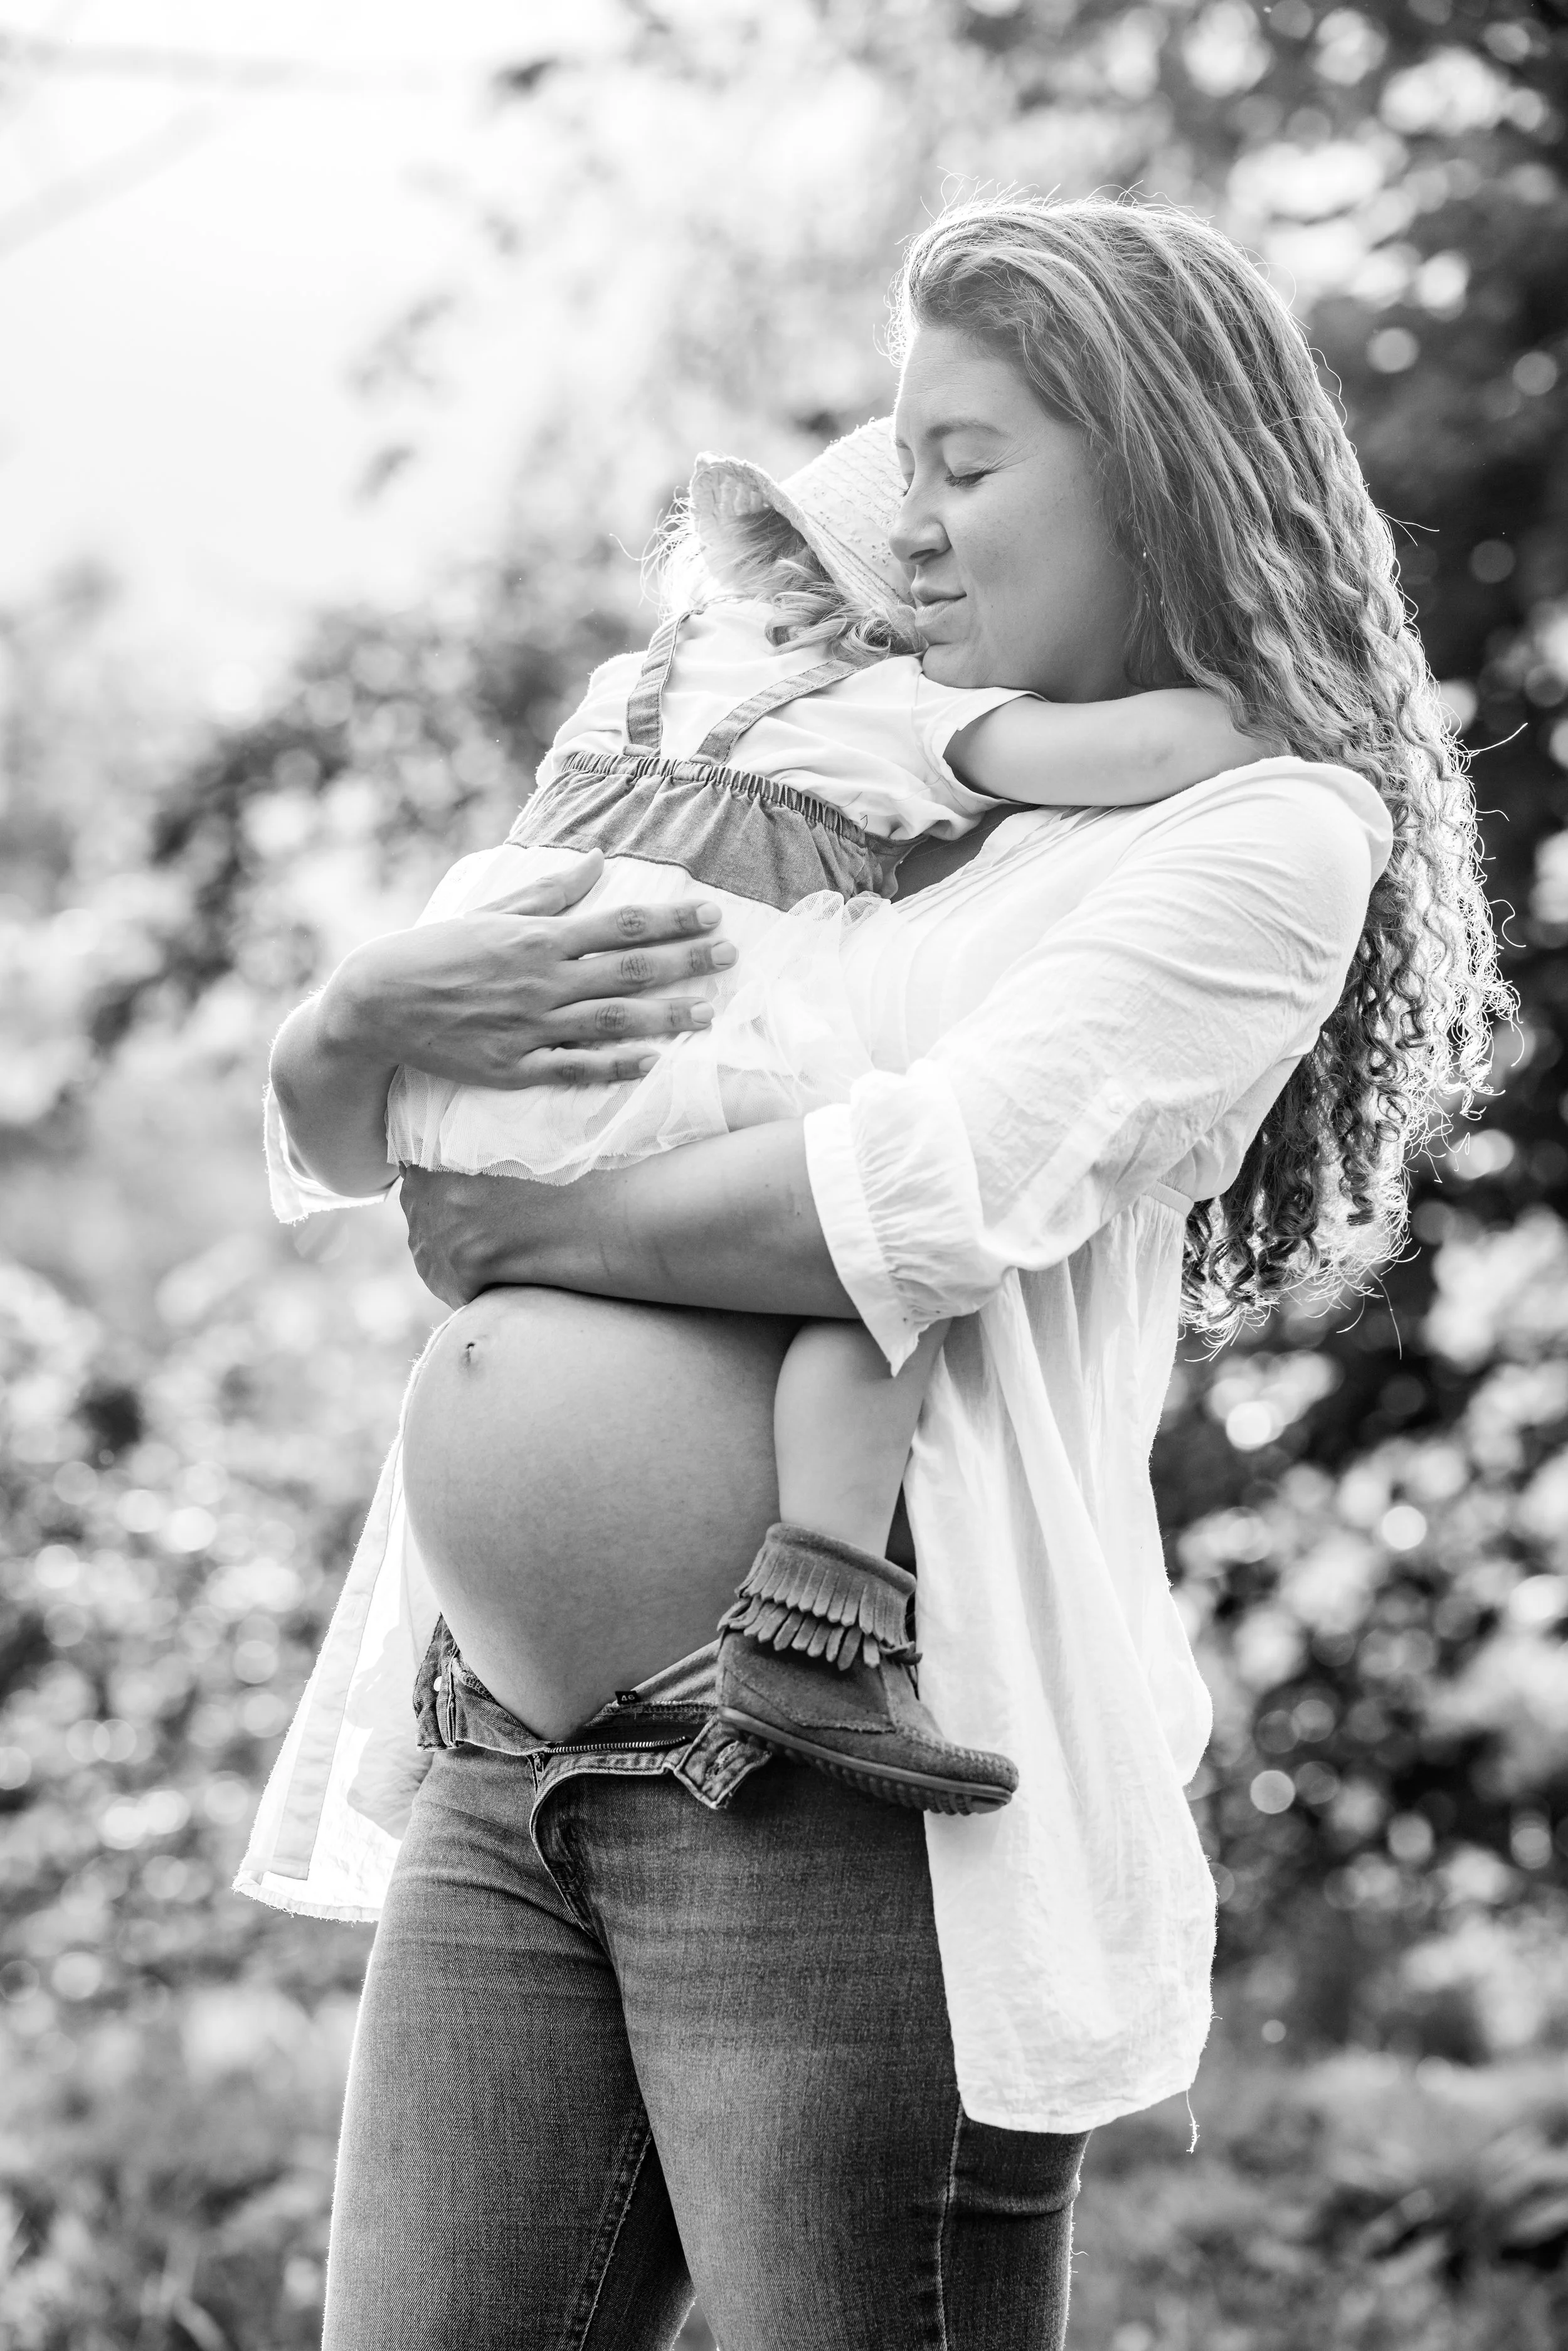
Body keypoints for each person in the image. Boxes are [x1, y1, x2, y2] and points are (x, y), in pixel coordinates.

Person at [241, 195, 1504, 2351]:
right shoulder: (811, 750)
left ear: (1158, 461)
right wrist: (347, 1031)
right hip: (493, 1746)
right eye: (899, 453)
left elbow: (917, 1186)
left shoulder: (1262, 827)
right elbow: (411, 1117)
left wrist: (523, 1235)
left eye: (976, 461)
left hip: (832, 1791)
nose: (909, 524)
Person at [270, 417, 1268, 1815]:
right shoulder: (887, 707)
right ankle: (821, 1604)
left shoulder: (635, 679)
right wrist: (1268, 695)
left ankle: (794, 1618)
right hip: (659, 1051)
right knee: (870, 1250)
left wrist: (369, 1029)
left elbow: (327, 1153)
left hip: (490, 1066)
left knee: (863, 1208)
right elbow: (1148, 748)